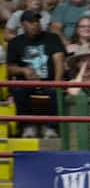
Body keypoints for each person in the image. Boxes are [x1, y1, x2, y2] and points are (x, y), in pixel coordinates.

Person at [7, 10, 66, 138]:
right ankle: (28, 126)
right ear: (23, 24)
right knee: (17, 89)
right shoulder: (15, 42)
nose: (36, 24)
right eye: (31, 22)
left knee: (56, 90)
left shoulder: (52, 38)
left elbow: (59, 59)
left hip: (49, 81)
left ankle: (51, 127)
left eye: (37, 21)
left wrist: (57, 82)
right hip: (27, 83)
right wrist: (23, 70)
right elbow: (10, 68)